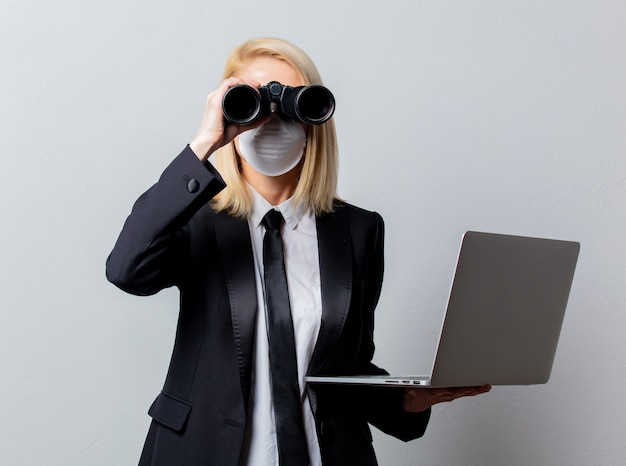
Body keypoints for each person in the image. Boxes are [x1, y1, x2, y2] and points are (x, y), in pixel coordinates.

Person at [106, 37, 490, 466]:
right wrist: (206, 142)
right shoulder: (195, 222)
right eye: (252, 102)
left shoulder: (359, 230)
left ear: (313, 119)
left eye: (290, 103)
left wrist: (406, 402)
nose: (271, 122)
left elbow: (347, 366)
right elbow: (127, 269)